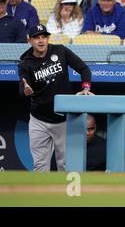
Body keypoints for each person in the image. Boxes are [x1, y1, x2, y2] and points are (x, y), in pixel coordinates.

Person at [18, 24, 93, 171]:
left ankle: (62, 194)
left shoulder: (60, 50)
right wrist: (25, 91)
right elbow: (22, 87)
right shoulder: (25, 62)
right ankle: (41, 192)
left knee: (64, 164)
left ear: (48, 38)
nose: (41, 41)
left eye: (44, 37)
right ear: (30, 41)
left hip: (63, 120)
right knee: (40, 166)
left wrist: (85, 88)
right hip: (39, 120)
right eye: (37, 38)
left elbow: (84, 69)